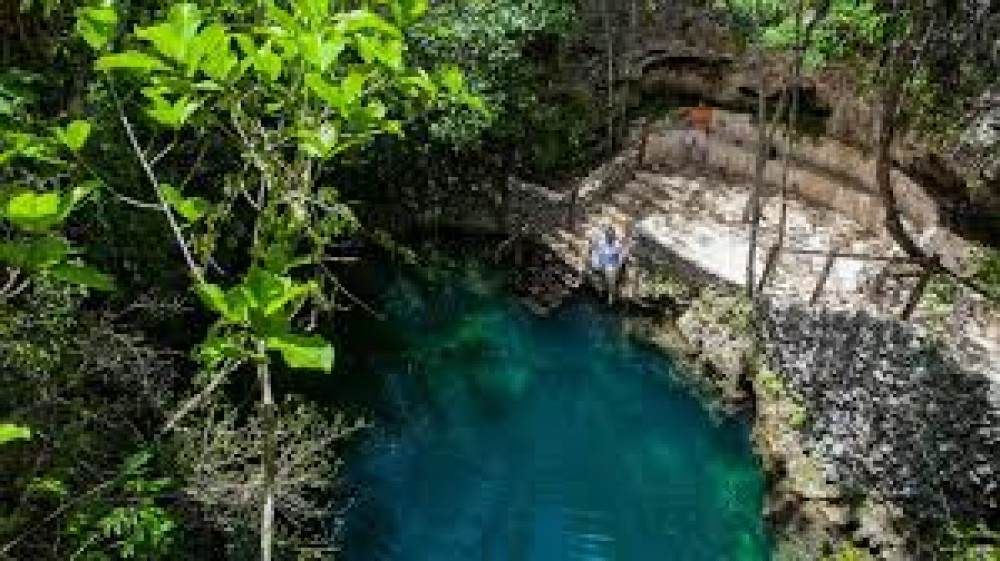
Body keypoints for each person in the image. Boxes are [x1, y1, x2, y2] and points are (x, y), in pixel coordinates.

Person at [590, 225, 628, 304]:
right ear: (606, 236)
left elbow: (622, 255)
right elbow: (595, 252)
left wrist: (618, 265)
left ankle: (611, 293)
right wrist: (595, 263)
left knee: (610, 274)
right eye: (609, 236)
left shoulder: (617, 245)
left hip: (612, 266)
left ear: (614, 236)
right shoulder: (601, 243)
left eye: (612, 236)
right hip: (601, 264)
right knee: (596, 272)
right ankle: (601, 290)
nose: (610, 237)